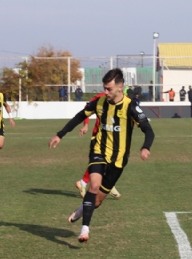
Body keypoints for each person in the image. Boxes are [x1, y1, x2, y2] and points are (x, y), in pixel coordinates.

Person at [49, 68, 154, 243]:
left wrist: (145, 147)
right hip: (98, 151)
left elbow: (149, 131)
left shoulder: (131, 107)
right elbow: (79, 116)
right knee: (93, 186)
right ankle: (85, 230)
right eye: (104, 88)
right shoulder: (100, 103)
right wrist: (60, 134)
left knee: (96, 202)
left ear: (120, 88)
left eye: (109, 89)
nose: (105, 92)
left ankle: (82, 209)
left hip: (119, 160)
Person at [75, 92, 121, 200]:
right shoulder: (102, 97)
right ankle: (92, 183)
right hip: (98, 136)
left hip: (112, 137)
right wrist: (86, 125)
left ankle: (105, 184)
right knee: (99, 162)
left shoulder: (122, 98)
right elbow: (87, 107)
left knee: (111, 160)